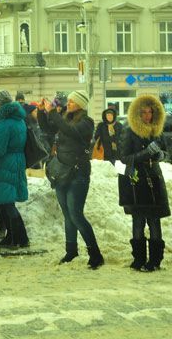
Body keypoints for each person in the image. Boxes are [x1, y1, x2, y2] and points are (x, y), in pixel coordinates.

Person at [39, 90, 104, 269]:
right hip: (61, 172)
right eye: (69, 101)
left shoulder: (87, 122)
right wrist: (42, 114)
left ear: (81, 104)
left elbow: (71, 131)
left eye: (73, 102)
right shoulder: (65, 118)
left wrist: (53, 112)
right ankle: (71, 250)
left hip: (78, 173)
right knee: (68, 214)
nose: (69, 104)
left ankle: (95, 254)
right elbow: (48, 129)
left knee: (76, 214)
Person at [120, 94, 170, 271]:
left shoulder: (157, 130)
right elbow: (124, 158)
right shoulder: (129, 131)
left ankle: (155, 260)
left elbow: (165, 153)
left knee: (154, 221)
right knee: (138, 221)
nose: (147, 115)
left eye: (150, 112)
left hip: (155, 180)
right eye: (143, 112)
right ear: (137, 113)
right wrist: (146, 153)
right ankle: (139, 259)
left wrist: (160, 155)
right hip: (137, 181)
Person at [0, 90, 30, 249]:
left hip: (7, 162)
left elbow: (0, 149)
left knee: (7, 203)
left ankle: (19, 238)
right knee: (6, 202)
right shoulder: (19, 120)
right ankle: (13, 237)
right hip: (17, 160)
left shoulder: (4, 123)